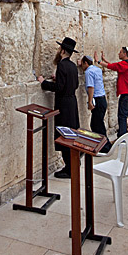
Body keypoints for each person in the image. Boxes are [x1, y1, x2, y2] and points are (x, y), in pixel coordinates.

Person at [37, 37, 80, 179]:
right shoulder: (73, 66)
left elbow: (59, 88)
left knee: (64, 134)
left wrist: (44, 83)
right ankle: (74, 164)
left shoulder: (62, 65)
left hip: (64, 104)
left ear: (62, 51)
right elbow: (74, 85)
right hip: (72, 103)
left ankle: (69, 169)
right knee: (71, 133)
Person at [95, 46, 128, 138]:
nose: (119, 53)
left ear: (125, 54)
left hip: (127, 94)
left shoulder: (124, 65)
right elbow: (115, 66)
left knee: (122, 115)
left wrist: (98, 61)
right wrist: (105, 60)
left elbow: (113, 66)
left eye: (120, 52)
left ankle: (122, 136)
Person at [79, 55, 112, 153]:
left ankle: (105, 147)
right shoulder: (97, 69)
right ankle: (104, 145)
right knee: (98, 123)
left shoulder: (88, 72)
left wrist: (89, 102)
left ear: (85, 63)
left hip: (96, 100)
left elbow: (91, 87)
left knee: (96, 125)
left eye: (82, 64)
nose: (81, 67)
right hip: (102, 99)